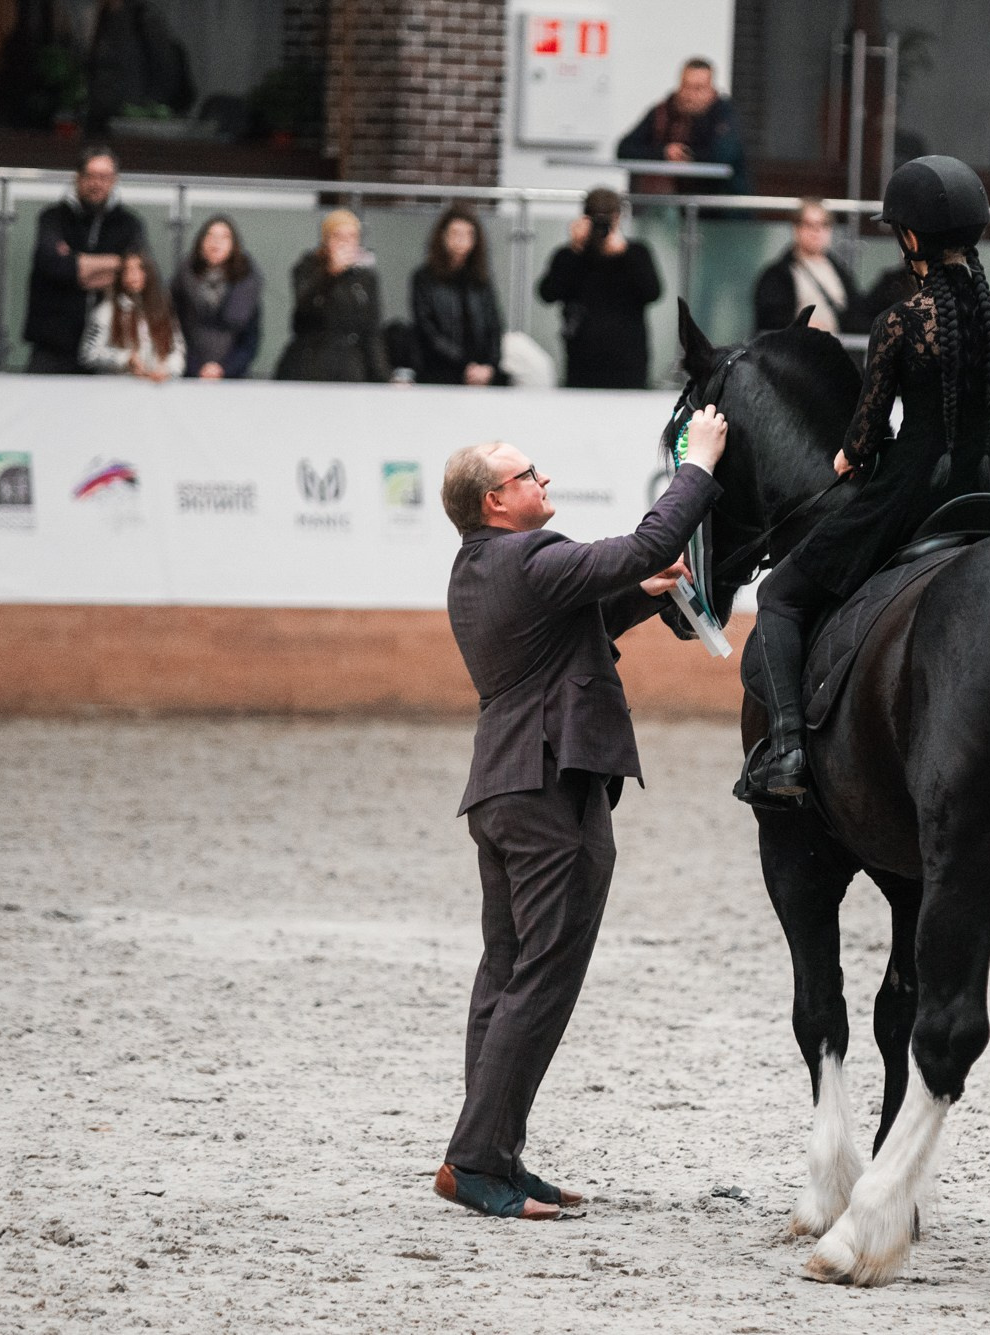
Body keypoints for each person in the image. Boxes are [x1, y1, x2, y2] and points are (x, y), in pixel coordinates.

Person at [432, 409, 728, 1221]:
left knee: (507, 970)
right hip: (547, 786)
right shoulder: (531, 556)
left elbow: (581, 619)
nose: (544, 481)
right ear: (497, 500)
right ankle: (476, 1157)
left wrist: (641, 593)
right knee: (544, 973)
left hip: (503, 787)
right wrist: (696, 466)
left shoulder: (480, 567)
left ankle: (490, 1150)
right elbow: (635, 547)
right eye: (529, 475)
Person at [740, 156, 990, 802]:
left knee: (782, 597)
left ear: (909, 239)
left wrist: (848, 458)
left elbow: (865, 438)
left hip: (911, 496)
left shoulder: (900, 323)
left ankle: (789, 748)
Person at [23, 147, 148, 374]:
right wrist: (115, 262)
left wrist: (77, 263)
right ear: (78, 177)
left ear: (114, 180)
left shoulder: (130, 225)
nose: (96, 183)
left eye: (104, 177)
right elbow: (54, 266)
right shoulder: (52, 218)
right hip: (52, 345)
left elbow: (135, 275)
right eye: (90, 176)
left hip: (108, 348)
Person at [536, 189, 663, 390]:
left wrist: (624, 255)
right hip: (582, 359)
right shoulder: (569, 255)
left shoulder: (637, 253)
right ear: (585, 219)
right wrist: (575, 251)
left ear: (618, 218)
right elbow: (547, 294)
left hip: (628, 359)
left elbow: (653, 293)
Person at [275, 210, 392, 383]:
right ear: (326, 239)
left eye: (352, 236)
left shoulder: (365, 277)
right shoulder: (308, 268)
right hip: (311, 360)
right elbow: (304, 309)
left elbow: (372, 330)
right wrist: (331, 274)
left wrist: (385, 376)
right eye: (338, 236)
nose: (345, 243)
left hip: (351, 364)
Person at [616, 57, 748, 195]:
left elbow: (723, 155)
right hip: (671, 203)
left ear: (711, 90)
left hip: (719, 207)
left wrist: (687, 155)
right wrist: (664, 153)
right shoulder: (663, 112)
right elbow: (625, 149)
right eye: (686, 86)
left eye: (698, 88)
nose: (690, 95)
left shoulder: (724, 115)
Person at [409, 204, 505, 386]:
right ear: (443, 235)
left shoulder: (481, 279)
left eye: (468, 234)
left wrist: (490, 366)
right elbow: (427, 331)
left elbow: (495, 326)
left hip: (482, 371)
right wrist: (465, 365)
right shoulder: (424, 278)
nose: (462, 240)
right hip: (440, 370)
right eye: (456, 233)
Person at [753, 198, 864, 335]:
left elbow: (857, 314)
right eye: (809, 225)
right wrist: (800, 326)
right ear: (796, 228)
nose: (816, 232)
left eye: (823, 225)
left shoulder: (841, 273)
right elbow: (770, 318)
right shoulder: (777, 275)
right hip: (795, 349)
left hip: (834, 348)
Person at [172, 215, 263, 379]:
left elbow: (250, 339)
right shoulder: (183, 280)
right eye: (211, 236)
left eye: (224, 237)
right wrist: (196, 367)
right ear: (201, 242)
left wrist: (224, 369)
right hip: (188, 373)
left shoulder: (246, 284)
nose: (216, 242)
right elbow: (174, 331)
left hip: (233, 377)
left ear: (234, 245)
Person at [84, 0, 195, 133]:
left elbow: (167, 69)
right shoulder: (102, 20)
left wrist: (148, 108)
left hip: (136, 119)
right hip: (104, 118)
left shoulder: (142, 18)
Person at [81, 252, 185, 380]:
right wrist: (126, 359)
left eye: (139, 269)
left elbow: (177, 350)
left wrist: (166, 369)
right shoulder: (107, 311)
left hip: (156, 387)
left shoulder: (162, 310)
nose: (133, 275)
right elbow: (89, 353)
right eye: (128, 270)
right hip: (118, 387)